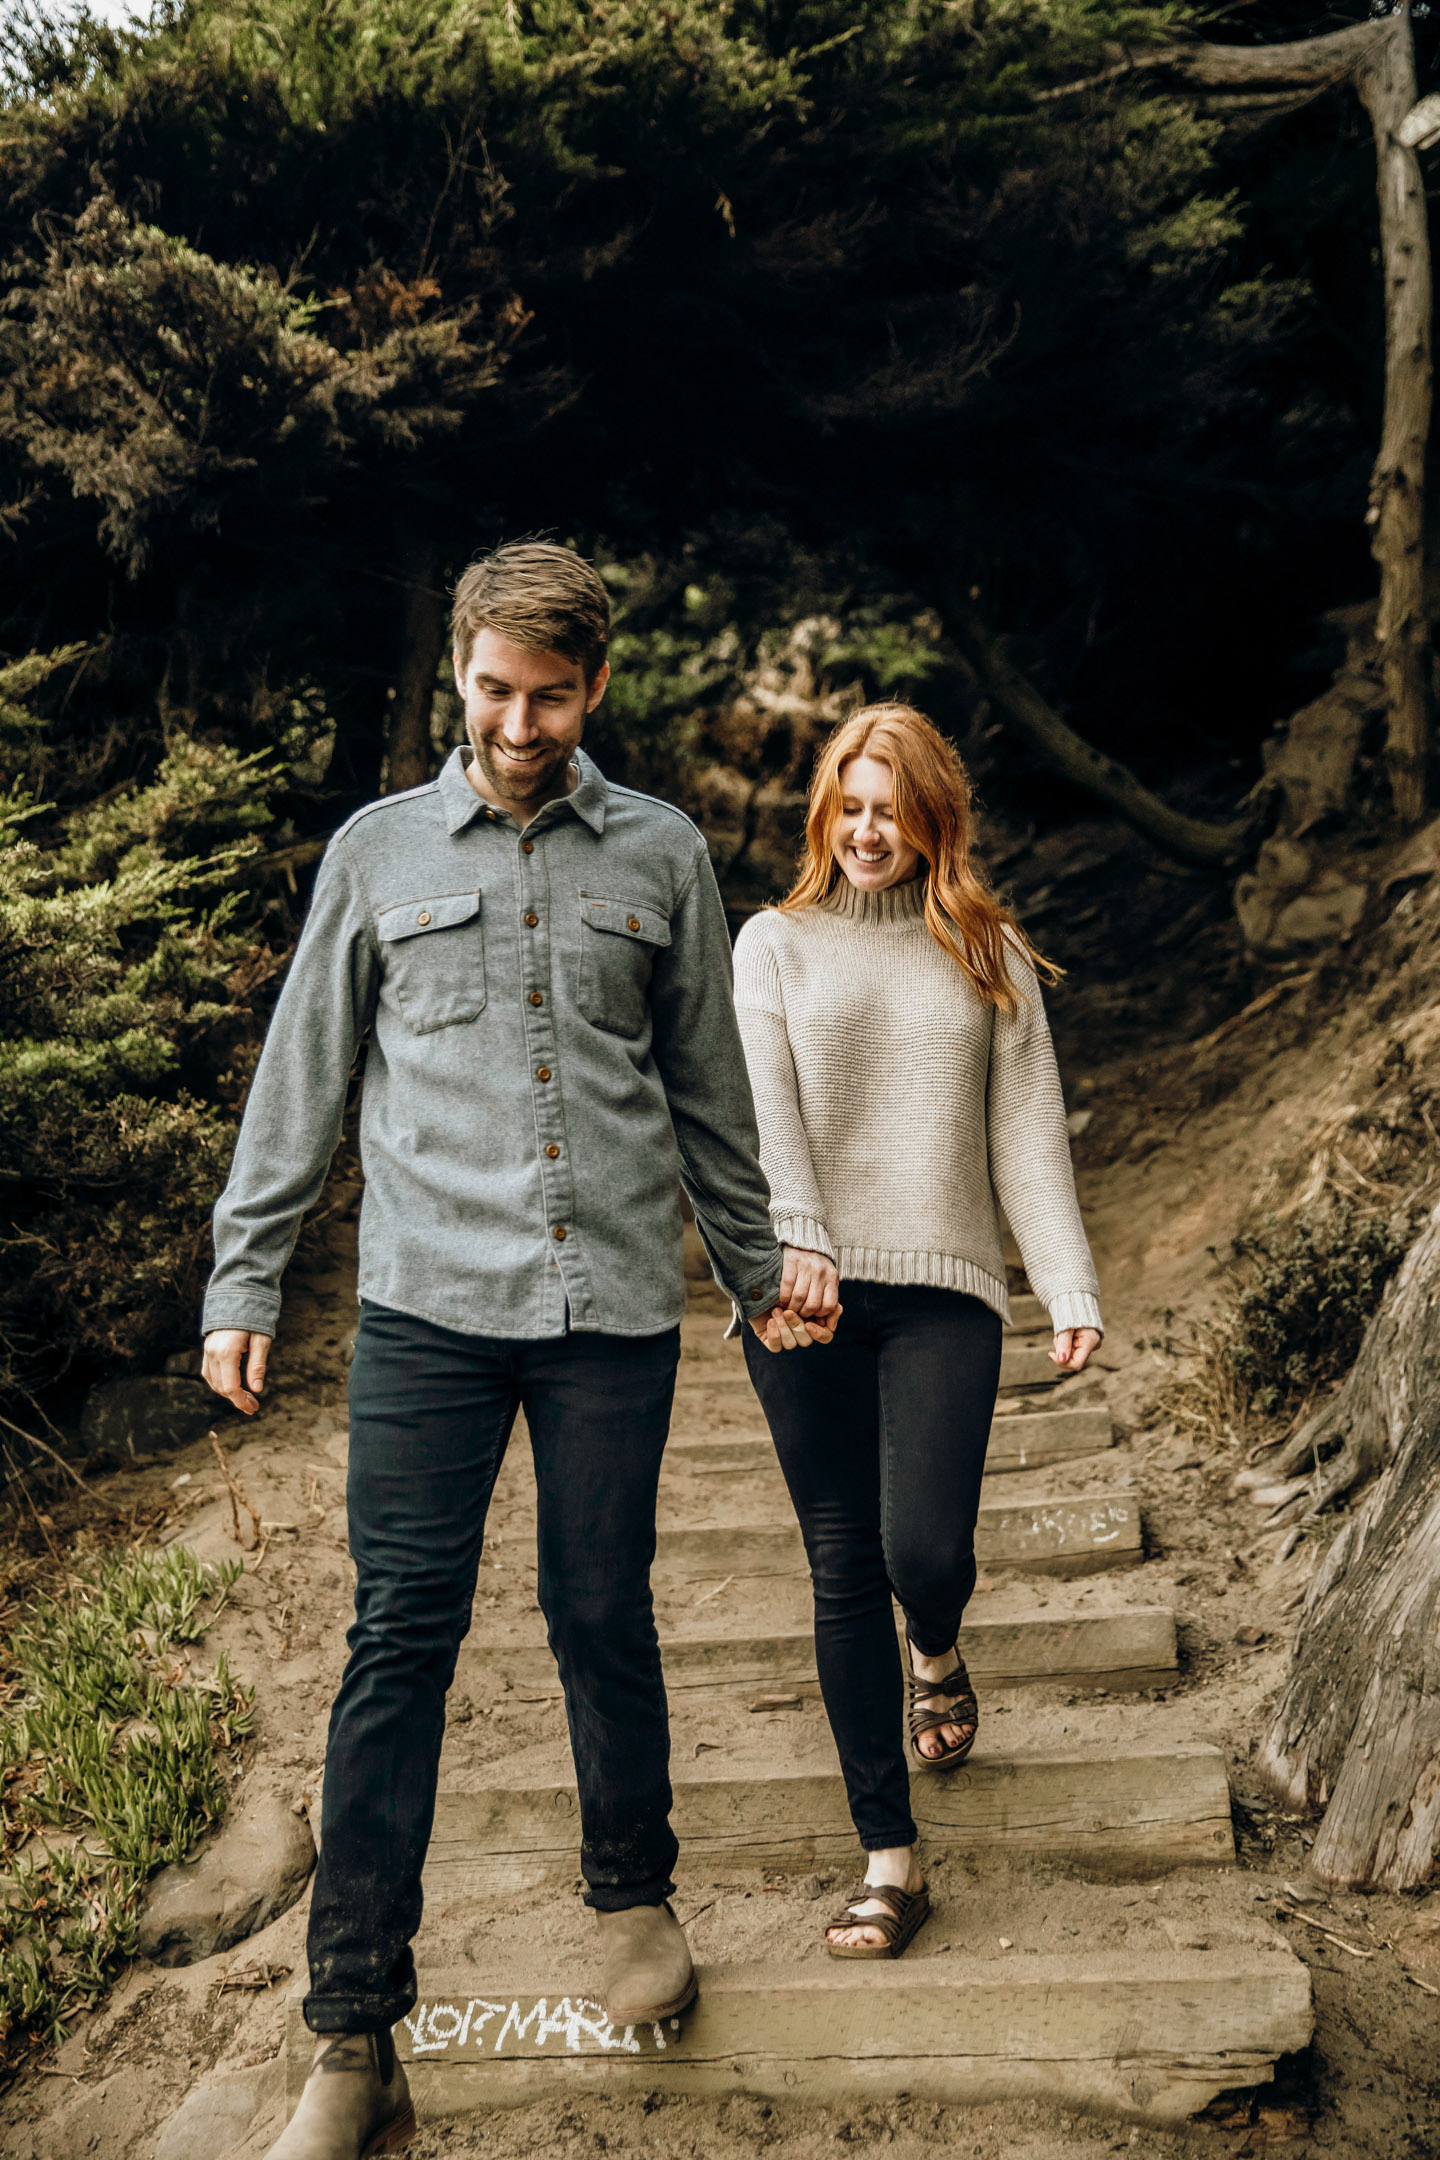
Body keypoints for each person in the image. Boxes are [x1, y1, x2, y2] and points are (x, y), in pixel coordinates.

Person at [200, 542, 828, 2160]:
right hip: (423, 1315)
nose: (520, 719)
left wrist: (762, 1275)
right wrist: (244, 1278)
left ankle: (632, 1891)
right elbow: (304, 1076)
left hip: (609, 1306)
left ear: (593, 687)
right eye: (494, 689)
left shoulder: (666, 854)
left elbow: (708, 1096)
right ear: (459, 678)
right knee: (396, 1643)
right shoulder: (377, 851)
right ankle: (351, 2034)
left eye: (551, 694)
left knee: (599, 1611)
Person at [732, 702, 1103, 1959]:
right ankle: (890, 1858)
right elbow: (764, 1114)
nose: (868, 828)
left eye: (892, 807)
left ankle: (936, 1648)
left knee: (924, 1551)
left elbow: (1025, 1136)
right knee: (842, 1562)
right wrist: (798, 1242)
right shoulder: (772, 947)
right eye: (850, 803)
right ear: (824, 811)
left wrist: (1068, 1284)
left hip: (945, 1285)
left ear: (932, 816)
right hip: (803, 1292)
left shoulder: (985, 948)